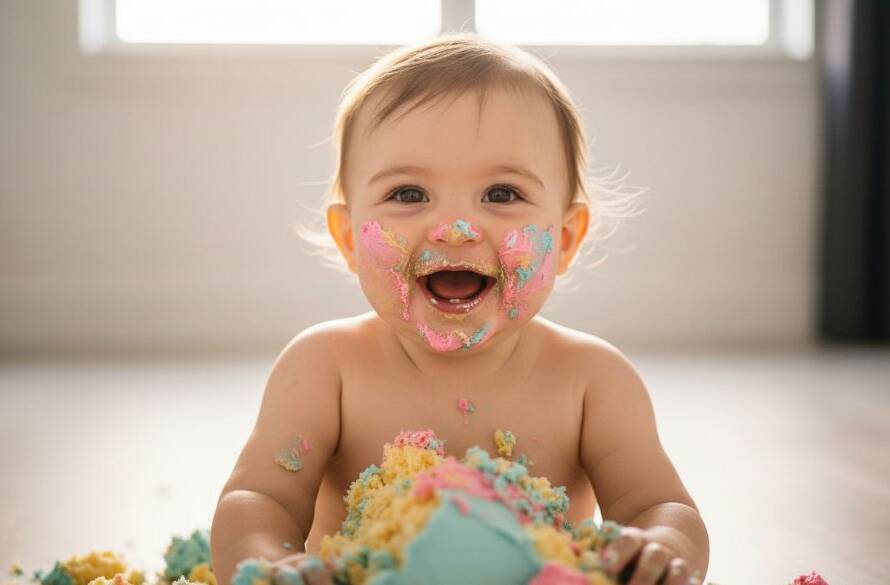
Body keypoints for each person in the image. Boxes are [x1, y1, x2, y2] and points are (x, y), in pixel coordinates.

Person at [211, 33, 709, 585]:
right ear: (349, 236)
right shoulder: (324, 369)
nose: (454, 228)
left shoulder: (593, 381)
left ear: (565, 238)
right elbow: (258, 498)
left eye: (501, 194)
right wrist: (272, 562)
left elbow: (660, 507)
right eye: (408, 194)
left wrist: (657, 548)